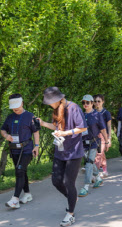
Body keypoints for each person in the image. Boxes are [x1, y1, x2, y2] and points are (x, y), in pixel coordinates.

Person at [38, 87, 87, 227]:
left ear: (57, 99)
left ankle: (70, 214)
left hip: (74, 152)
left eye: (50, 102)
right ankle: (72, 197)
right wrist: (42, 123)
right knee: (56, 181)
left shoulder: (73, 108)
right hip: (60, 152)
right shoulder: (56, 110)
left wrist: (65, 133)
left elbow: (82, 128)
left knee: (68, 182)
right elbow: (56, 127)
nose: (49, 104)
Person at [0, 94, 40, 209]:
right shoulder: (10, 117)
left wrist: (36, 146)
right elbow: (3, 129)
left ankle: (15, 199)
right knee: (21, 171)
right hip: (14, 150)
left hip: (27, 149)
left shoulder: (30, 116)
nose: (15, 109)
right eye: (13, 107)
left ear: (22, 103)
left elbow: (36, 132)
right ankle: (27, 194)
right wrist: (6, 135)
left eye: (17, 106)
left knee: (19, 171)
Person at [78, 95, 109, 197]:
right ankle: (99, 179)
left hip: (94, 143)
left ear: (92, 103)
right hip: (83, 143)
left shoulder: (97, 115)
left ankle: (86, 186)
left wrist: (107, 141)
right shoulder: (81, 115)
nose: (85, 105)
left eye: (88, 102)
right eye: (83, 103)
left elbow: (103, 129)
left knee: (89, 163)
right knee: (88, 162)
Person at [93, 94, 112, 177]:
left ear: (102, 102)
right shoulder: (92, 112)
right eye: (95, 101)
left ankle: (95, 171)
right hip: (94, 135)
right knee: (100, 153)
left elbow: (109, 126)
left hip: (104, 135)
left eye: (99, 101)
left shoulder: (106, 113)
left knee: (99, 153)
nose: (97, 103)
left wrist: (109, 138)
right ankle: (104, 169)